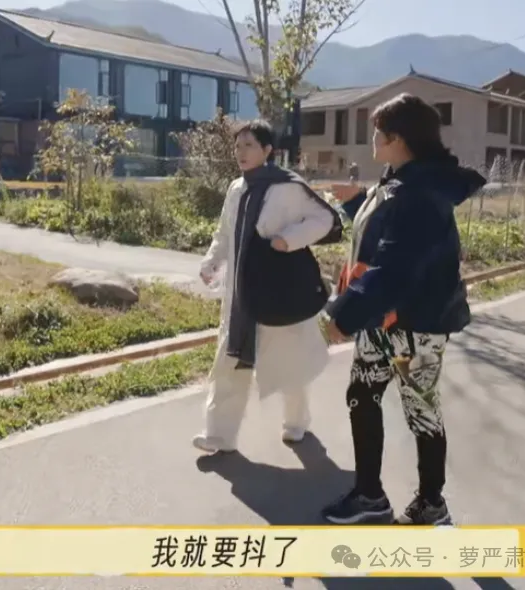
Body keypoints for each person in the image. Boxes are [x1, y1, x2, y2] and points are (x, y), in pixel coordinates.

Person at [321, 93, 486, 525]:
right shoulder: (401, 180)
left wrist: (345, 316)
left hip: (415, 323)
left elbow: (394, 265)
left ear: (397, 138)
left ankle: (431, 503)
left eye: (377, 132)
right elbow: (386, 234)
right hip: (384, 320)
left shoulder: (421, 192)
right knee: (362, 395)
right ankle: (369, 494)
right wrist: (357, 202)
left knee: (420, 410)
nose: (372, 140)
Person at [195, 120, 343, 451]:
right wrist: (211, 262)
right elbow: (224, 233)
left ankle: (296, 422)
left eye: (249, 145)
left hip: (277, 288)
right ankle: (219, 434)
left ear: (267, 150)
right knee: (230, 361)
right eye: (237, 146)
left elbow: (324, 219)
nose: (241, 152)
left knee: (289, 361)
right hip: (241, 294)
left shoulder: (287, 186)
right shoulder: (236, 188)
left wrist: (289, 239)